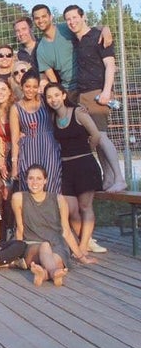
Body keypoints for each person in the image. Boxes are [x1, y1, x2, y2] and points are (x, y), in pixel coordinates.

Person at [64, 4, 126, 193]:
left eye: (75, 17)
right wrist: (103, 26)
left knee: (103, 136)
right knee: (96, 137)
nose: (72, 22)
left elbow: (110, 65)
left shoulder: (98, 38)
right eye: (68, 19)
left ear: (83, 17)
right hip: (83, 94)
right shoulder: (78, 40)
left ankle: (119, 177)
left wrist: (107, 92)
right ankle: (108, 178)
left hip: (98, 93)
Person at [45, 83, 107, 254]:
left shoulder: (79, 113)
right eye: (49, 97)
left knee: (85, 206)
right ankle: (84, 241)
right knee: (71, 209)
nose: (53, 99)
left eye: (56, 95)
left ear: (63, 95)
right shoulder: (52, 118)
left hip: (84, 165)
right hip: (66, 166)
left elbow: (95, 134)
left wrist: (89, 150)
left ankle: (82, 247)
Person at [11, 165, 97, 287]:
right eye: (31, 178)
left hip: (57, 245)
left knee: (55, 259)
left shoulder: (58, 199)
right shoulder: (18, 198)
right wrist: (16, 254)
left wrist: (82, 257)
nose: (35, 182)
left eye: (39, 178)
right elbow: (20, 228)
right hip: (32, 245)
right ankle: (54, 273)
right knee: (45, 247)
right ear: (26, 180)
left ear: (45, 180)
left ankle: (45, 274)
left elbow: (66, 231)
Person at [9, 71, 62, 194]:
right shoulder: (15, 108)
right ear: (22, 86)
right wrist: (15, 165)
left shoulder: (45, 101)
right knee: (30, 185)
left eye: (34, 87)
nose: (30, 90)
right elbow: (15, 139)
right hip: (28, 149)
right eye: (27, 86)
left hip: (49, 148)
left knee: (51, 183)